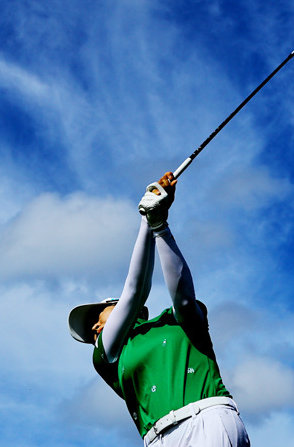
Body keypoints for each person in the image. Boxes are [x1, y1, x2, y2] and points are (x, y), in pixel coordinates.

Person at [68, 172, 250, 446]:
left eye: (97, 315)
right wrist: (149, 218)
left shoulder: (175, 319)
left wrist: (157, 223)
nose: (94, 326)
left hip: (208, 418)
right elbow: (134, 292)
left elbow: (184, 298)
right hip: (157, 439)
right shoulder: (108, 359)